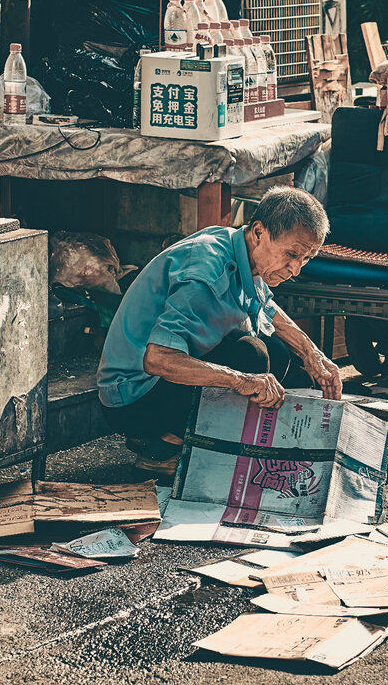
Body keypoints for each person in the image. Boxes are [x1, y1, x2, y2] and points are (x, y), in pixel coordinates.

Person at [96, 186, 340, 477]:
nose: (296, 269)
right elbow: (157, 359)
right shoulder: (206, 273)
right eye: (292, 254)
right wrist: (240, 380)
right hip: (132, 398)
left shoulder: (238, 245)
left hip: (158, 382)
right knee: (251, 358)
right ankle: (161, 448)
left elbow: (266, 307)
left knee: (277, 353)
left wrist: (312, 353)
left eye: (306, 258)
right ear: (260, 232)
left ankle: (189, 439)